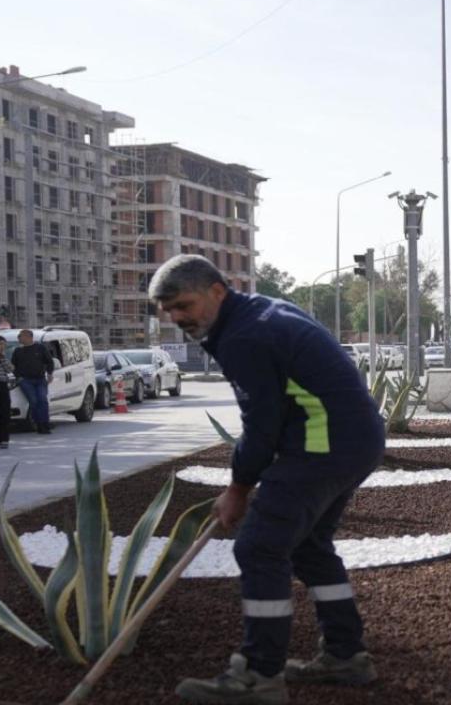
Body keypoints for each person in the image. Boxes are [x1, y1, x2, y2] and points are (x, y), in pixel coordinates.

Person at [150, 255, 384, 705]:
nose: (178, 318)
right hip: (355, 440)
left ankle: (259, 677)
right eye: (170, 311)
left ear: (217, 291)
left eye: (184, 305)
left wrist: (238, 487)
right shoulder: (259, 312)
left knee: (259, 548)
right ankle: (345, 655)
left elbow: (262, 423)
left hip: (323, 444)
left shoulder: (245, 335)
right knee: (310, 547)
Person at [11, 329, 54, 434]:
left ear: (28, 337)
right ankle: (38, 423)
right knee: (33, 401)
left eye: (20, 336)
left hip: (40, 379)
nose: (19, 338)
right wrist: (18, 377)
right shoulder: (18, 351)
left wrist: (50, 373)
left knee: (42, 399)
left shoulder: (40, 348)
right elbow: (12, 366)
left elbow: (49, 361)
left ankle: (45, 423)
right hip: (25, 380)